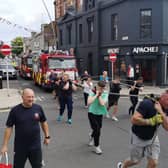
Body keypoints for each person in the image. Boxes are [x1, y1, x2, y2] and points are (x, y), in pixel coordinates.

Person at [0, 88, 50, 168]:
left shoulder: (38, 108)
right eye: (28, 97)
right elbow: (9, 128)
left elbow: (43, 122)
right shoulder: (15, 111)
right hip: (20, 148)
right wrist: (5, 145)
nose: (31, 99)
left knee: (37, 166)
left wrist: (47, 136)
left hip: (35, 147)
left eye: (32, 97)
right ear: (22, 97)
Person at [117, 91, 168, 168]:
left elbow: (167, 127)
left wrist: (161, 112)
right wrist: (150, 121)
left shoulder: (166, 108)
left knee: (153, 162)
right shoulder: (147, 103)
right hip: (139, 137)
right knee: (135, 161)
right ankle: (122, 166)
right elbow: (134, 119)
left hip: (153, 137)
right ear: (163, 96)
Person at [87, 81, 108, 154]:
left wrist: (99, 96)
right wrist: (96, 95)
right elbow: (88, 102)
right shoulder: (92, 91)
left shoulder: (105, 93)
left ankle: (91, 135)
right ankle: (97, 146)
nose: (101, 90)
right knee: (97, 129)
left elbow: (102, 103)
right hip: (91, 113)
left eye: (102, 88)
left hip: (100, 114)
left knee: (98, 128)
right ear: (97, 86)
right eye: (100, 88)